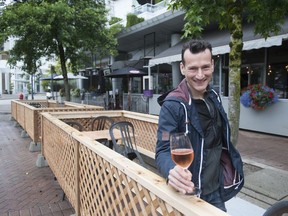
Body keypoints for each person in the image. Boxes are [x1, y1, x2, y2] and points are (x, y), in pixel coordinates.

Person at [155, 39, 244, 212]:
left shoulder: (214, 97)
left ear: (212, 64)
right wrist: (171, 171)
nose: (200, 75)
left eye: (205, 67)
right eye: (193, 68)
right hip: (188, 193)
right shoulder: (173, 105)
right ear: (182, 68)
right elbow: (163, 149)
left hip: (216, 191)